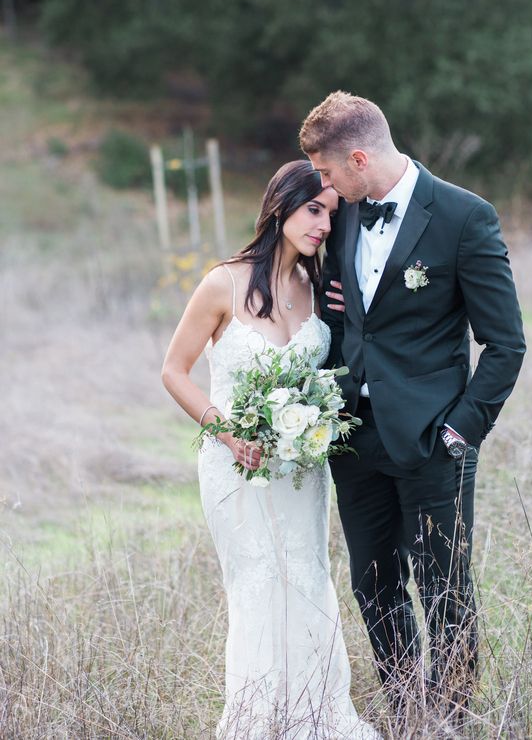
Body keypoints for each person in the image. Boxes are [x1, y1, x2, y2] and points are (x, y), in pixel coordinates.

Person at [300, 91, 526, 720]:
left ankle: (451, 721)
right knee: (373, 585)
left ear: (360, 157)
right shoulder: (342, 216)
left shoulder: (464, 217)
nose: (324, 186)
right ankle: (405, 713)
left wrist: (462, 432)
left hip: (434, 440)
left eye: (326, 172)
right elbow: (340, 316)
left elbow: (505, 343)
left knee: (445, 589)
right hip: (355, 436)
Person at [161, 160, 381, 740]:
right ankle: (258, 721)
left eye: (332, 216)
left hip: (300, 468)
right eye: (314, 210)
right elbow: (174, 371)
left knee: (306, 578)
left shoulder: (318, 288)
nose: (324, 226)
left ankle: (316, 715)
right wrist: (226, 429)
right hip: (235, 465)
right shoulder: (222, 283)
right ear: (280, 205)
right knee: (259, 582)